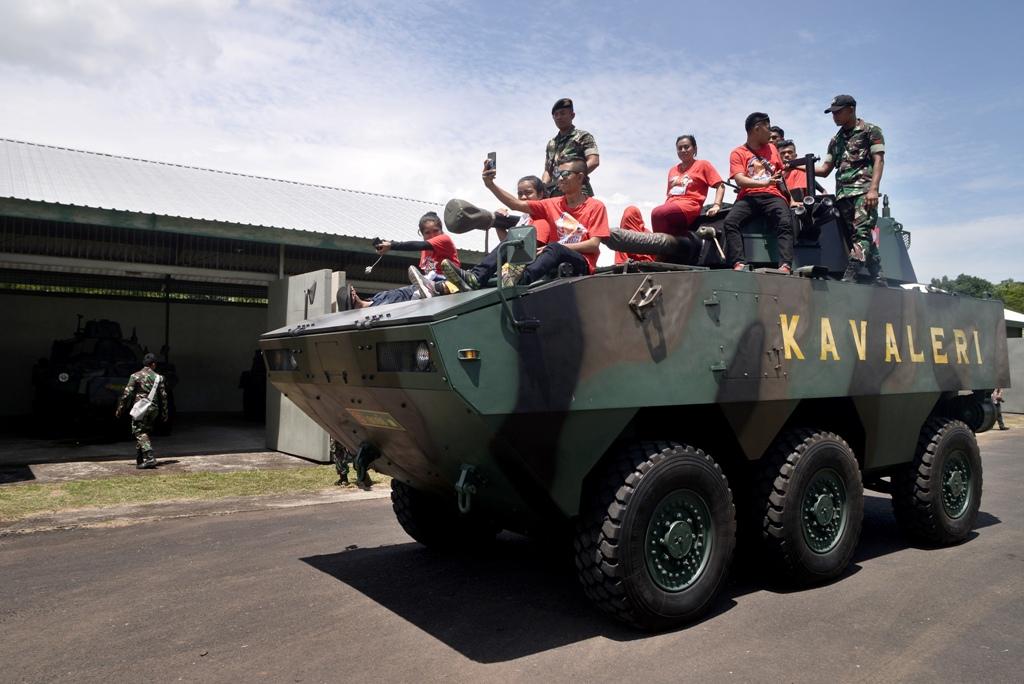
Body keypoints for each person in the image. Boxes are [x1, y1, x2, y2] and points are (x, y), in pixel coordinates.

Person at [481, 157, 608, 287]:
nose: (559, 178)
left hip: (582, 263)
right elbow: (516, 204)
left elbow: (593, 245)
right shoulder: (551, 204)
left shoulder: (596, 206)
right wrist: (490, 185)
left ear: (580, 177)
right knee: (511, 240)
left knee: (555, 247)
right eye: (558, 174)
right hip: (553, 256)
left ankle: (521, 280)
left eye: (565, 174)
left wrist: (554, 247)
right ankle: (477, 276)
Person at [429, 176, 554, 293]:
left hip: (522, 269)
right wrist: (499, 223)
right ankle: (435, 288)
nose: (523, 197)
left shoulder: (541, 219)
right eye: (520, 194)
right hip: (510, 266)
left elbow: (527, 251)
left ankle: (474, 276)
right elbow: (506, 246)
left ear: (541, 194)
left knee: (480, 276)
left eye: (528, 193)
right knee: (474, 278)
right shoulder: (525, 218)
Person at [814, 94, 886, 283]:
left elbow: (879, 160)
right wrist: (798, 165)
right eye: (832, 113)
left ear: (851, 109)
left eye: (838, 112)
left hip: (863, 191)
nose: (834, 116)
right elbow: (824, 170)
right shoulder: (835, 140)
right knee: (857, 236)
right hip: (843, 196)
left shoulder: (871, 131)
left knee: (862, 232)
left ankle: (851, 274)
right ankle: (878, 274)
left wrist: (873, 189)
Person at [722, 112, 794, 273]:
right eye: (767, 128)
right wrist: (763, 182)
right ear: (757, 128)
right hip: (749, 197)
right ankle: (739, 262)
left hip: (773, 195)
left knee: (785, 222)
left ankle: (785, 264)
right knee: (730, 222)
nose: (770, 133)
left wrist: (793, 199)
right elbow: (740, 180)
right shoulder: (738, 153)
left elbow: (780, 175)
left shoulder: (773, 149)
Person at [349, 211, 459, 307]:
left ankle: (365, 305)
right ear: (421, 233)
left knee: (405, 294)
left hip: (447, 282)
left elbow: (416, 245)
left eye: (436, 231)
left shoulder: (444, 240)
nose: (432, 235)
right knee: (397, 292)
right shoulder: (425, 251)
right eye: (427, 233)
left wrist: (392, 245)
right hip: (429, 283)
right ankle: (367, 303)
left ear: (442, 231)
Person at [649, 134, 725, 236]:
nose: (683, 150)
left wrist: (716, 205)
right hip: (672, 206)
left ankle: (659, 250)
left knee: (657, 213)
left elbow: (720, 186)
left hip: (689, 206)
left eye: (686, 147)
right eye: (679, 148)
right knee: (662, 216)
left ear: (695, 149)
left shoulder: (703, 165)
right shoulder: (673, 170)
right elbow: (670, 194)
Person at [115, 352, 168, 469]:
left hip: (141, 409)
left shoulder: (135, 376)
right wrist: (165, 413)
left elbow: (127, 394)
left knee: (139, 432)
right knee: (144, 431)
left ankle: (150, 458)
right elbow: (163, 397)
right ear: (153, 364)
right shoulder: (159, 378)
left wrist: (120, 409)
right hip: (154, 408)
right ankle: (140, 458)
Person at [542, 98, 600, 198]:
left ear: (572, 115)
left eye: (563, 113)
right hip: (555, 194)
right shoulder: (551, 143)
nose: (559, 117)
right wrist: (542, 188)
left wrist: (571, 178)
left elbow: (594, 161)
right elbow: (548, 170)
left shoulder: (583, 136)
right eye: (556, 115)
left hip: (578, 192)